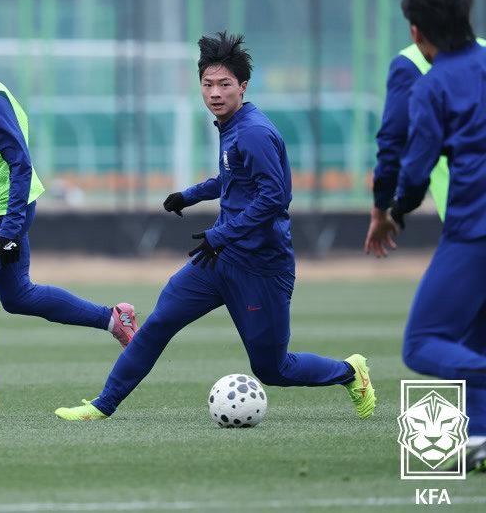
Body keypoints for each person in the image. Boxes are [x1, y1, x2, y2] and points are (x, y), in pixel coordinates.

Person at [55, 31, 375, 421]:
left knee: (273, 369)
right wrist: (188, 196)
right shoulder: (232, 126)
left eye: (224, 84)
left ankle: (349, 372)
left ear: (243, 86)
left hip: (259, 266)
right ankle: (101, 406)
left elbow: (274, 198)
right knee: (158, 323)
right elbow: (233, 178)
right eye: (208, 84)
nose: (215, 93)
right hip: (218, 258)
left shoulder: (254, 132)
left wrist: (221, 233)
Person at [0, 7, 138, 419]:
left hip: (6, 205)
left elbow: (21, 164)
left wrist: (11, 228)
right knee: (19, 297)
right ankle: (114, 319)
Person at [388, 0, 486, 472]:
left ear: (417, 31)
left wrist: (396, 211)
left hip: (474, 230)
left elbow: (416, 171)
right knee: (474, 334)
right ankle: (480, 434)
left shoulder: (434, 85)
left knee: (423, 344)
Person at [365, 0, 486, 258]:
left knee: (441, 292)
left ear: (415, 31)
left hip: (469, 224)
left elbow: (395, 147)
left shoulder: (413, 69)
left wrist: (386, 210)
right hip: (467, 224)